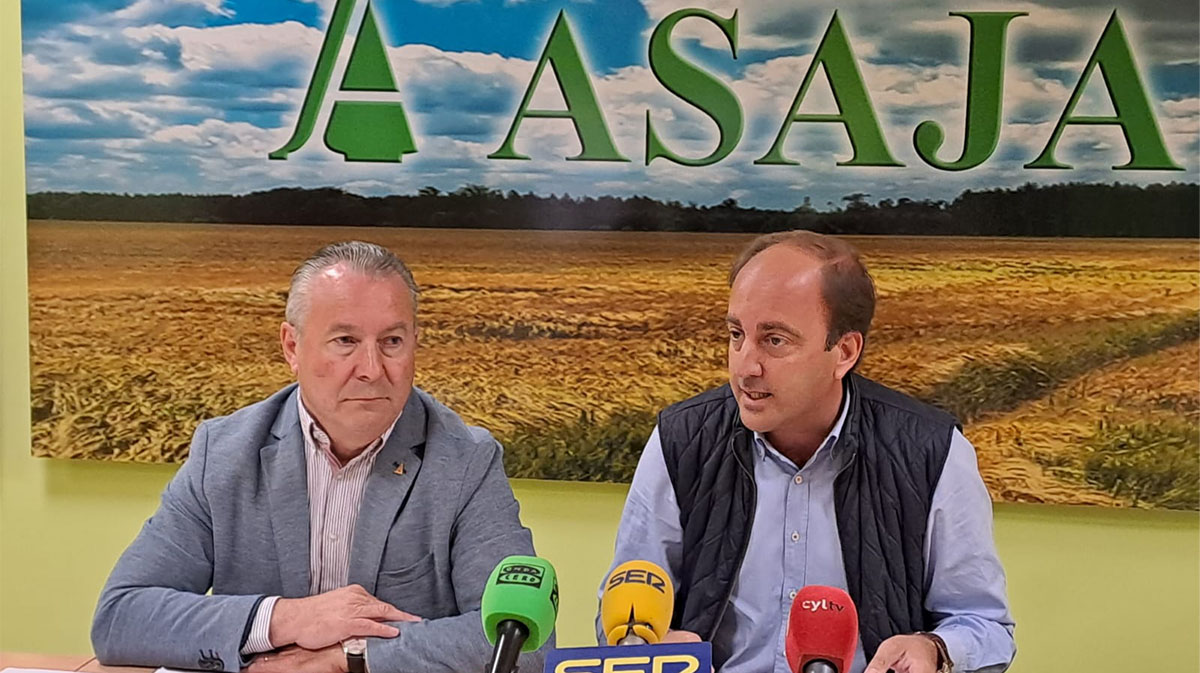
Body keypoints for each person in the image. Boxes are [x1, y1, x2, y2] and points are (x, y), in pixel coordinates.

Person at [92, 241, 546, 673]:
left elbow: (520, 645)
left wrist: (348, 656)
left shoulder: (465, 463)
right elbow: (121, 616)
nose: (372, 369)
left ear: (414, 343)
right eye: (345, 340)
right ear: (292, 347)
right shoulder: (225, 453)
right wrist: (288, 618)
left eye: (392, 341)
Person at [601, 231, 1016, 673]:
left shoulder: (930, 450)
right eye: (736, 334)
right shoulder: (681, 438)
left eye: (775, 340)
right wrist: (638, 647)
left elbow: (986, 626)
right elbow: (623, 610)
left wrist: (935, 649)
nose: (745, 366)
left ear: (844, 352)